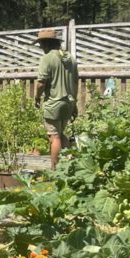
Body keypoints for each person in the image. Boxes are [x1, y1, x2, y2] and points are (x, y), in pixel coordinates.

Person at [34, 28, 79, 170]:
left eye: (41, 45)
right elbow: (76, 82)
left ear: (46, 44)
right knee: (60, 134)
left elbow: (41, 83)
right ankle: (69, 166)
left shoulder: (47, 58)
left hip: (54, 103)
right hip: (69, 103)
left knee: (54, 137)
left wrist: (36, 97)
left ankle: (54, 170)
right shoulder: (70, 58)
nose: (41, 48)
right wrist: (75, 103)